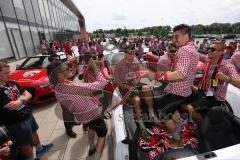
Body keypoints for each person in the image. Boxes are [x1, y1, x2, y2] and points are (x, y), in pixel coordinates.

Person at [47, 59, 107, 160]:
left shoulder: (57, 87)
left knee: (92, 127)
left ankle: (91, 146)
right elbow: (102, 83)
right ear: (58, 74)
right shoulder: (69, 86)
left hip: (81, 115)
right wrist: (95, 68)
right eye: (66, 68)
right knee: (103, 133)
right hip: (91, 112)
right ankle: (97, 157)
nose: (69, 68)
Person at [150, 24, 199, 140]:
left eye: (176, 36)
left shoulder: (184, 50)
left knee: (162, 114)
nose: (174, 40)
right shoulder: (193, 49)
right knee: (172, 111)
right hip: (185, 90)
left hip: (178, 90)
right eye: (173, 37)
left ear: (186, 35)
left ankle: (178, 140)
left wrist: (161, 76)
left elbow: (181, 73)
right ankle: (178, 130)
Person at [0, 62, 53, 160]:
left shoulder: (12, 83)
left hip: (27, 114)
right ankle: (32, 158)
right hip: (15, 121)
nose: (9, 74)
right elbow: (13, 106)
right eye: (5, 73)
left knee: (34, 131)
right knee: (24, 142)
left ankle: (39, 148)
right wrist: (23, 98)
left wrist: (20, 99)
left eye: (9, 72)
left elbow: (29, 94)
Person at [184, 41, 240, 124]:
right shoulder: (208, 60)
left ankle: (204, 129)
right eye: (208, 48)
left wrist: (226, 78)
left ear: (221, 52)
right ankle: (193, 121)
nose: (209, 51)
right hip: (204, 92)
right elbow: (197, 55)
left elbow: (238, 83)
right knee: (181, 99)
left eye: (212, 49)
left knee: (190, 108)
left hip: (215, 98)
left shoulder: (227, 66)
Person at [113, 44, 154, 136]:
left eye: (134, 53)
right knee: (137, 100)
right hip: (124, 86)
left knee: (147, 88)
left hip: (135, 84)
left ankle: (151, 114)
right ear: (125, 54)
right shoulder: (119, 65)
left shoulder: (136, 62)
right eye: (130, 53)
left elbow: (139, 74)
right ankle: (141, 124)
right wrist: (127, 87)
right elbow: (116, 81)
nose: (132, 55)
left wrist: (137, 80)